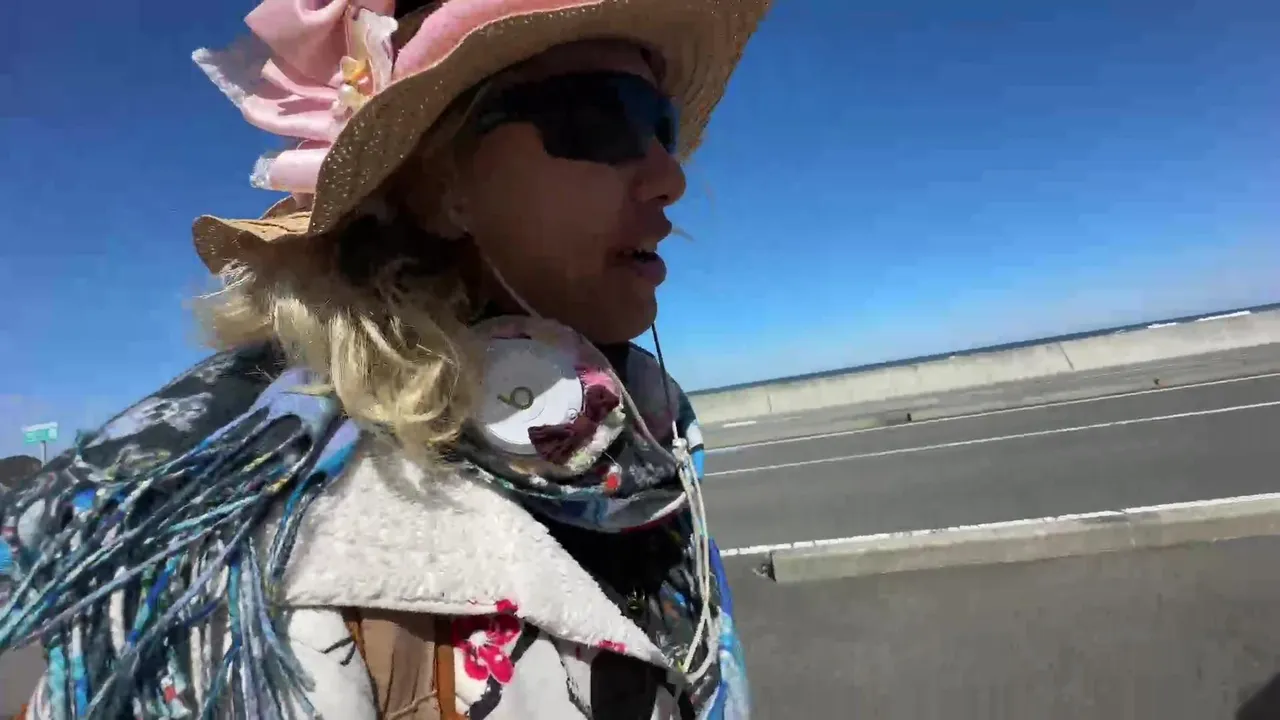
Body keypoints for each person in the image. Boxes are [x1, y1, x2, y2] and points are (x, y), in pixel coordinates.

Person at [2, 0, 772, 718]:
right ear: (439, 188)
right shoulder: (264, 580)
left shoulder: (640, 462)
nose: (670, 177)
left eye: (662, 126)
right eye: (606, 119)